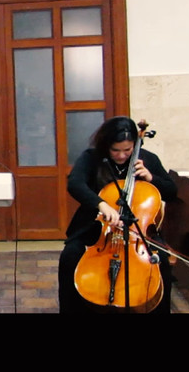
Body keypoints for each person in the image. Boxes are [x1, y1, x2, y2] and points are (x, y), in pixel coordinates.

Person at [58, 116, 177, 314]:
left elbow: (171, 192)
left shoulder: (147, 159)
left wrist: (151, 178)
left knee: (161, 260)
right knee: (71, 256)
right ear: (106, 145)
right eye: (115, 150)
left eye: (127, 150)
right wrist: (101, 205)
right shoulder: (91, 157)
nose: (121, 156)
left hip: (137, 233)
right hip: (96, 230)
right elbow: (75, 183)